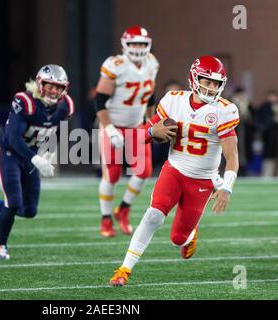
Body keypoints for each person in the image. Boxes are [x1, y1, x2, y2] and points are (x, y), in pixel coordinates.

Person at [109, 56, 240, 286]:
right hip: (175, 169)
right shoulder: (173, 100)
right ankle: (124, 269)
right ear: (193, 78)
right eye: (206, 81)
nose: (211, 87)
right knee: (154, 215)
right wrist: (151, 133)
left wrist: (226, 187)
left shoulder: (225, 111)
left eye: (215, 83)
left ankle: (189, 235)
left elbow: (232, 156)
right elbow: (141, 135)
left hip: (201, 180)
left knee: (178, 239)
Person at [0, 64, 74, 260]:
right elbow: (14, 138)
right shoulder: (25, 101)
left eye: (59, 87)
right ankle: (0, 246)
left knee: (30, 211)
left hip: (33, 154)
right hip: (10, 153)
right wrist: (36, 159)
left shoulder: (65, 106)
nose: (54, 91)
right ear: (40, 84)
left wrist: (49, 153)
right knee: (14, 201)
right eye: (50, 86)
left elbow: (55, 130)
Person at [94, 26, 159, 237]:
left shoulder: (152, 63)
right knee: (112, 174)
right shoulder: (116, 65)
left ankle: (123, 208)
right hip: (113, 124)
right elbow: (99, 100)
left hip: (137, 125)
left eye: (141, 44)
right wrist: (110, 128)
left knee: (144, 171)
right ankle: (105, 219)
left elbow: (151, 95)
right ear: (125, 45)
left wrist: (149, 119)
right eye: (134, 44)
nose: (138, 48)